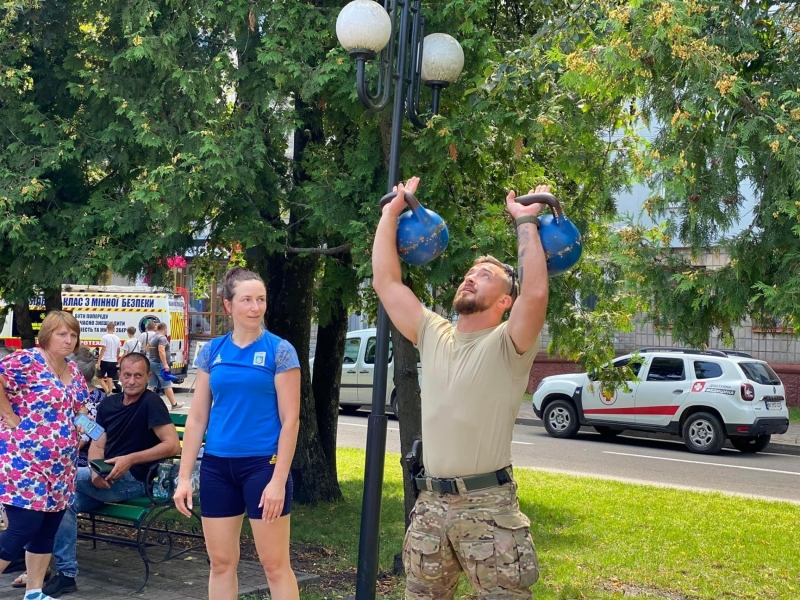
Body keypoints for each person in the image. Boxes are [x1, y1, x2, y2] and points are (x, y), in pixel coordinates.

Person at [373, 177, 549, 599]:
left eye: (485, 276)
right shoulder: (433, 332)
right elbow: (387, 282)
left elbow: (537, 292)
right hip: (430, 504)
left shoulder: (510, 343)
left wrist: (525, 222)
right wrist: (390, 213)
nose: (470, 279)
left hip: (489, 508)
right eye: (469, 273)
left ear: (505, 301)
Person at [174, 267, 301, 600]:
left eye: (260, 299)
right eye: (246, 300)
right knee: (220, 563)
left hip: (263, 467)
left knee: (274, 565)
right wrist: (184, 477)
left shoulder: (280, 351)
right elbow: (198, 417)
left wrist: (278, 480)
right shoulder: (212, 352)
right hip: (217, 468)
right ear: (228, 306)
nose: (255, 307)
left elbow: (291, 421)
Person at [43, 353, 181, 597]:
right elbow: (98, 442)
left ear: (148, 377)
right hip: (105, 478)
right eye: (127, 375)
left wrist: (130, 459)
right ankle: (66, 574)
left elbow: (172, 445)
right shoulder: (109, 403)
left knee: (60, 477)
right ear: (118, 375)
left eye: (138, 376)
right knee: (63, 502)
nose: (132, 381)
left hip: (136, 480)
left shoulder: (151, 403)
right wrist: (96, 470)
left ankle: (23, 550)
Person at [0, 312, 89, 600]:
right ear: (47, 335)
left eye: (73, 335)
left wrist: (85, 430)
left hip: (61, 467)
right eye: (62, 334)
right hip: (24, 462)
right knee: (23, 527)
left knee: (47, 527)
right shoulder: (27, 360)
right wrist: (9, 414)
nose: (68, 340)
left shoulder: (73, 371)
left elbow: (82, 406)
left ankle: (34, 591)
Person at [147, 323, 183, 410]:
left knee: (151, 385)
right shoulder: (162, 338)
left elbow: (147, 349)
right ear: (165, 329)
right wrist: (165, 364)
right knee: (167, 384)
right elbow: (161, 350)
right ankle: (174, 404)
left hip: (151, 362)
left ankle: (143, 403)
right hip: (159, 364)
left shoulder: (152, 337)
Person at [97, 323, 120, 394]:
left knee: (98, 377)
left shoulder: (105, 337)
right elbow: (118, 349)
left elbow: (103, 349)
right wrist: (116, 358)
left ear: (106, 328)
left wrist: (99, 360)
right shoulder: (117, 338)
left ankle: (107, 390)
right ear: (114, 329)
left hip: (105, 359)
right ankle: (110, 392)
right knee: (110, 378)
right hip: (113, 360)